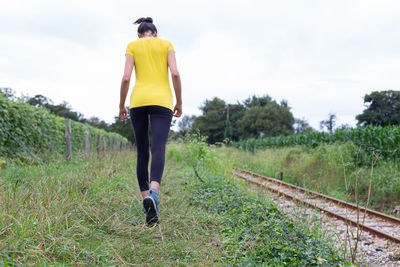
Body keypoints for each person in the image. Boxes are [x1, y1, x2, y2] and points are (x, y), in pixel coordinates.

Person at [118, 17, 182, 225]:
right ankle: (153, 195)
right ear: (155, 33)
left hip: (138, 102)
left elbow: (126, 78)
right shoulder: (166, 44)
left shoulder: (132, 46)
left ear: (139, 34)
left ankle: (146, 199)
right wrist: (179, 102)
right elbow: (175, 73)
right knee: (158, 148)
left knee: (142, 151)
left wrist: (121, 105)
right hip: (162, 102)